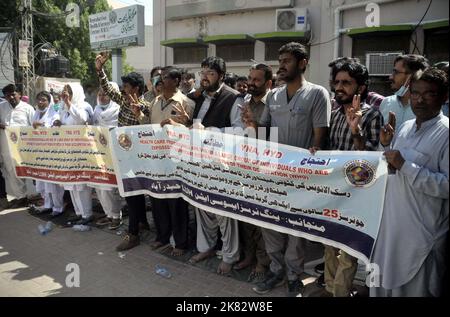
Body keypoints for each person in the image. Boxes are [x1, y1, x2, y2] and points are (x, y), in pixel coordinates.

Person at [246, 42, 331, 297]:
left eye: (287, 61)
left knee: (296, 229)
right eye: (280, 60)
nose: (282, 65)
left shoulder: (318, 94)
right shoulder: (273, 96)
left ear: (303, 63)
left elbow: (320, 140)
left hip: (300, 177)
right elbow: (265, 134)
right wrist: (252, 125)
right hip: (272, 174)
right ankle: (276, 269)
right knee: (270, 224)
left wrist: (308, 173)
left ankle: (294, 275)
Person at [371, 68, 448, 297]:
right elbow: (392, 170)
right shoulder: (405, 128)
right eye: (415, 93)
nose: (420, 99)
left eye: (429, 94)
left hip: (421, 239)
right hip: (391, 230)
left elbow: (446, 186)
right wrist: (385, 145)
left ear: (444, 97)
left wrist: (407, 165)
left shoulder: (445, 133)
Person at [319, 60, 383, 297]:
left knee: (348, 251)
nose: (339, 87)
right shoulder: (334, 115)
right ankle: (329, 288)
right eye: (337, 82)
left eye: (346, 83)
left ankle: (340, 293)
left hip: (357, 195)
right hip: (332, 192)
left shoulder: (372, 116)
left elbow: (371, 161)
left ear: (361, 87)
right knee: (328, 244)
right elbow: (330, 151)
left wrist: (356, 131)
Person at [186, 56, 243, 275]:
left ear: (221, 75)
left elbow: (240, 133)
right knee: (202, 206)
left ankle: (230, 256)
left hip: (221, 164)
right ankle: (206, 248)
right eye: (203, 73)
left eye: (210, 73)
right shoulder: (199, 97)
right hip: (200, 161)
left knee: (223, 212)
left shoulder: (233, 98)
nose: (205, 77)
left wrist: (209, 133)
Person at [96, 52, 152, 251]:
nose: (122, 89)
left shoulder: (145, 106)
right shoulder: (123, 101)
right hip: (124, 155)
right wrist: (99, 69)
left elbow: (148, 129)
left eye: (126, 86)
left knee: (133, 194)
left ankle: (133, 234)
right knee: (132, 193)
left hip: (138, 159)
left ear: (136, 88)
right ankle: (142, 223)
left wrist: (140, 114)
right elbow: (107, 89)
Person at [136, 66, 195, 256]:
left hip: (176, 160)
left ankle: (180, 243)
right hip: (156, 159)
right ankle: (162, 237)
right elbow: (149, 126)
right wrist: (139, 116)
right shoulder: (155, 101)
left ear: (177, 81)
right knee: (158, 199)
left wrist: (181, 125)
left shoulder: (187, 103)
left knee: (176, 203)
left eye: (166, 77)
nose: (160, 81)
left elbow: (192, 132)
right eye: (160, 78)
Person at [237, 63, 273, 283]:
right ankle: (249, 255)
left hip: (266, 167)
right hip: (245, 164)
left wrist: (254, 123)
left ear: (268, 83)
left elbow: (272, 136)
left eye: (256, 80)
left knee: (261, 219)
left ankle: (263, 261)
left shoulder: (274, 104)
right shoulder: (246, 102)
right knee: (245, 214)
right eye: (250, 78)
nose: (251, 83)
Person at [53, 84, 94, 226]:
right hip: (67, 151)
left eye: (70, 92)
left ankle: (87, 214)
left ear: (75, 92)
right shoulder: (64, 108)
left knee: (81, 184)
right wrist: (58, 122)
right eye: (66, 92)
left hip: (81, 152)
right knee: (71, 184)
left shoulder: (84, 106)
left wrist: (69, 103)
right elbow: (63, 122)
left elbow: (82, 119)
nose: (67, 94)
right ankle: (79, 213)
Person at [91, 83, 125, 230]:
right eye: (100, 94)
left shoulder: (119, 109)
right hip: (98, 153)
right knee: (99, 185)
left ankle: (116, 216)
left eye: (105, 94)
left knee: (110, 186)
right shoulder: (96, 109)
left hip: (114, 154)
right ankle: (108, 214)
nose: (102, 96)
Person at [0, 84, 35, 208]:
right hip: (6, 145)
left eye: (13, 94)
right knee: (10, 171)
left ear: (19, 94)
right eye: (7, 95)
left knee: (21, 170)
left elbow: (33, 127)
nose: (11, 97)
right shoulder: (1, 107)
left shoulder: (28, 108)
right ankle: (19, 196)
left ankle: (24, 196)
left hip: (22, 146)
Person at [32, 91, 65, 217]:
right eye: (39, 99)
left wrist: (41, 125)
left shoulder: (54, 114)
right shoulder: (36, 114)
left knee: (53, 182)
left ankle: (58, 207)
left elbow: (55, 129)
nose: (40, 102)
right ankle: (47, 205)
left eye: (43, 100)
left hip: (52, 154)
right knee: (42, 181)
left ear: (49, 101)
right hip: (40, 153)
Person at [379, 54, 429, 129]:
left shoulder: (425, 109)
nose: (391, 77)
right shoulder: (386, 102)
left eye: (396, 72)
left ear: (412, 76)